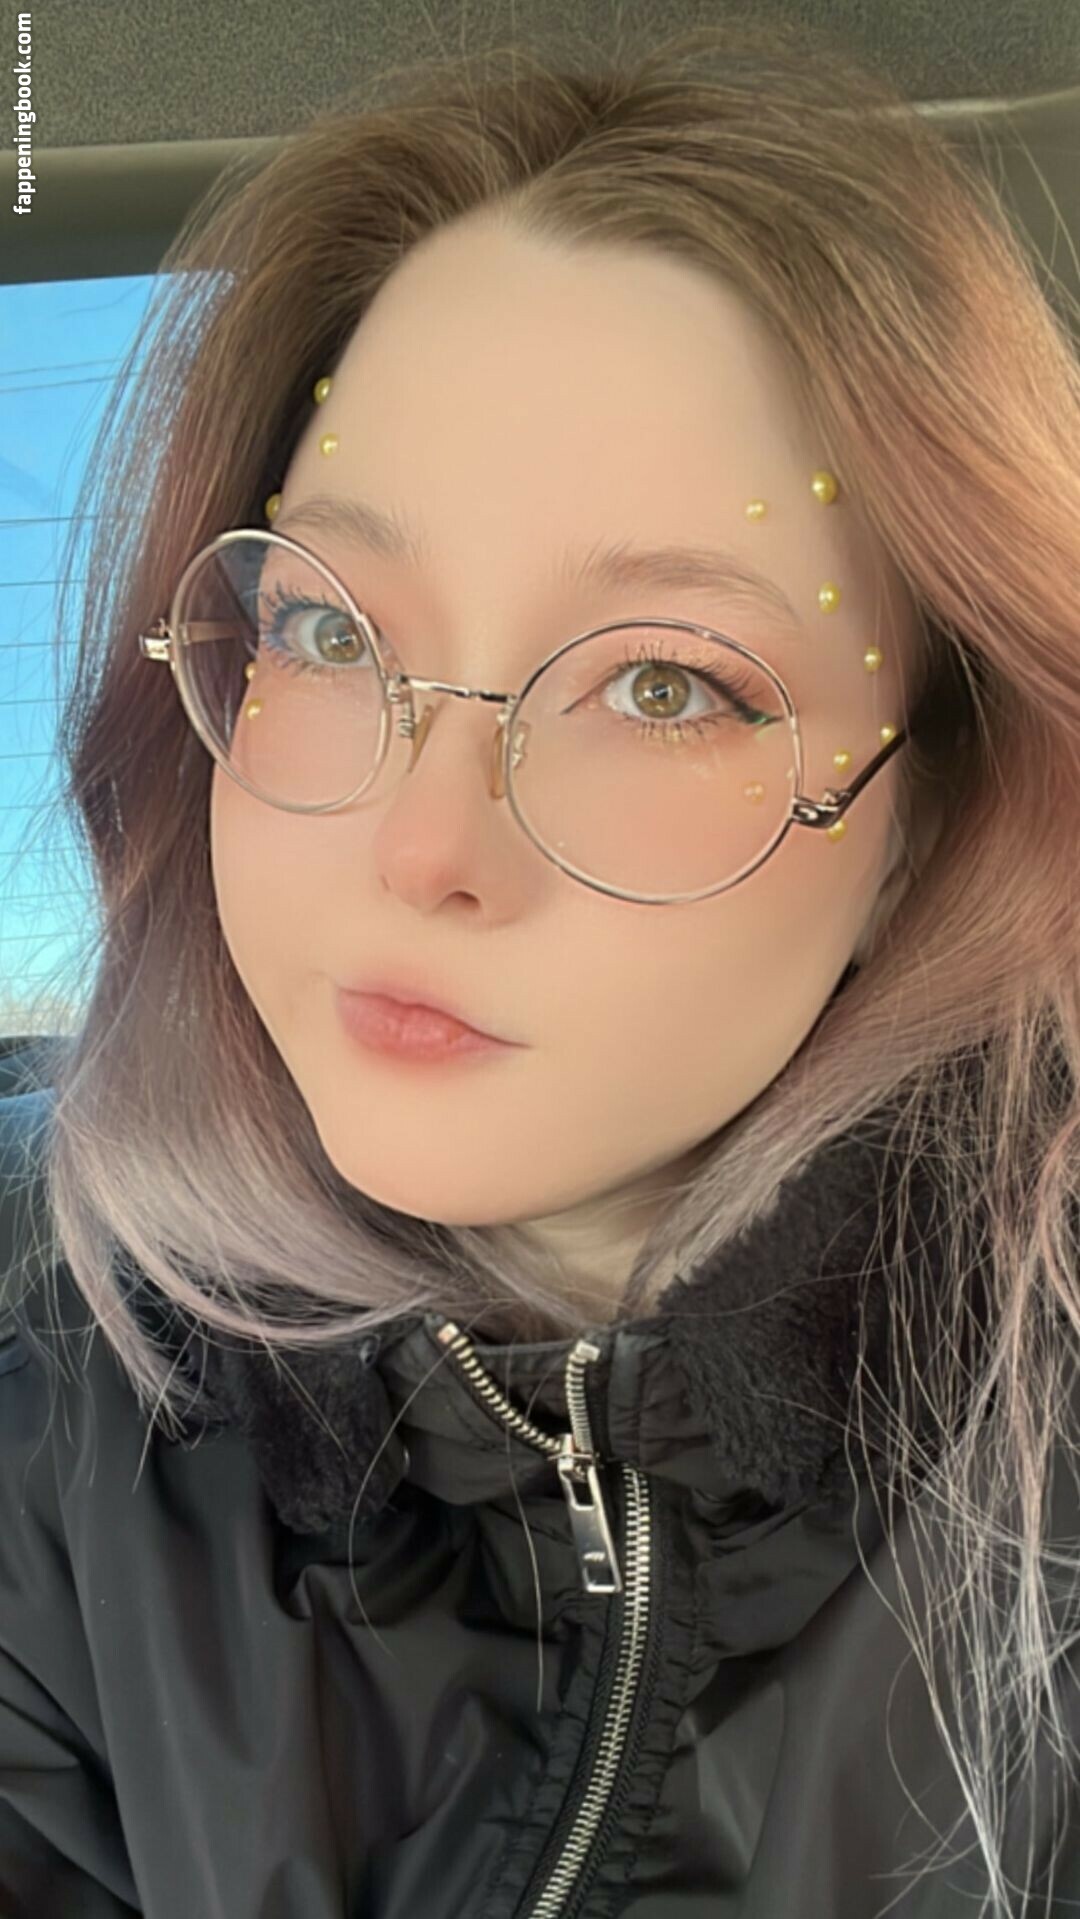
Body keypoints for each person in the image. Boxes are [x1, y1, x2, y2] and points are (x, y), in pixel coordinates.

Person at [1, 20, 1079, 1918]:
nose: (421, 849)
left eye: (664, 686)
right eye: (329, 630)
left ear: (928, 806)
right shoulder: (52, 1424)